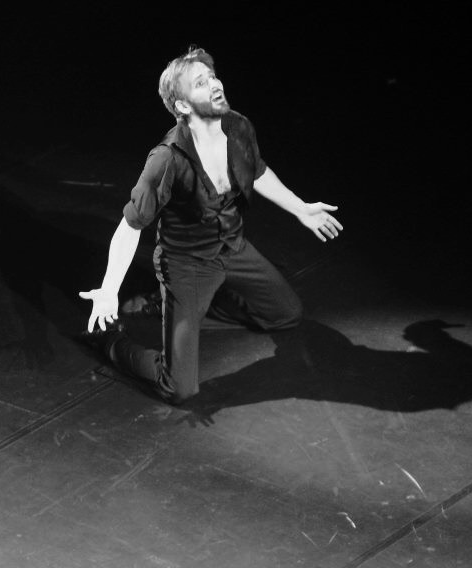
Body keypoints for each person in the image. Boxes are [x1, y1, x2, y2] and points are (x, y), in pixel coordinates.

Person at [79, 46, 343, 404]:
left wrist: (300, 209)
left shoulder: (238, 126)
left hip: (233, 247)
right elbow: (131, 225)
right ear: (183, 105)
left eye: (213, 77)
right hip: (187, 264)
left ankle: (175, 308)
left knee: (287, 315)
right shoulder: (167, 159)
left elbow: (258, 170)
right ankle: (109, 340)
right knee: (179, 388)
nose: (215, 84)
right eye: (200, 83)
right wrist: (110, 289)